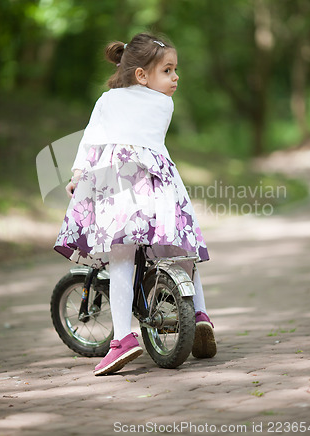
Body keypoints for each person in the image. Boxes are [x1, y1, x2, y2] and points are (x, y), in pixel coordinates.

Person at [54, 32, 217, 376]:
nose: (176, 78)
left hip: (119, 185)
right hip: (159, 184)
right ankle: (199, 315)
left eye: (175, 70)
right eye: (168, 71)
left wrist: (77, 174)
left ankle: (123, 339)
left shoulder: (108, 100)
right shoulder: (164, 104)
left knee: (121, 259)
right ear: (142, 75)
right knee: (178, 250)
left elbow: (91, 138)